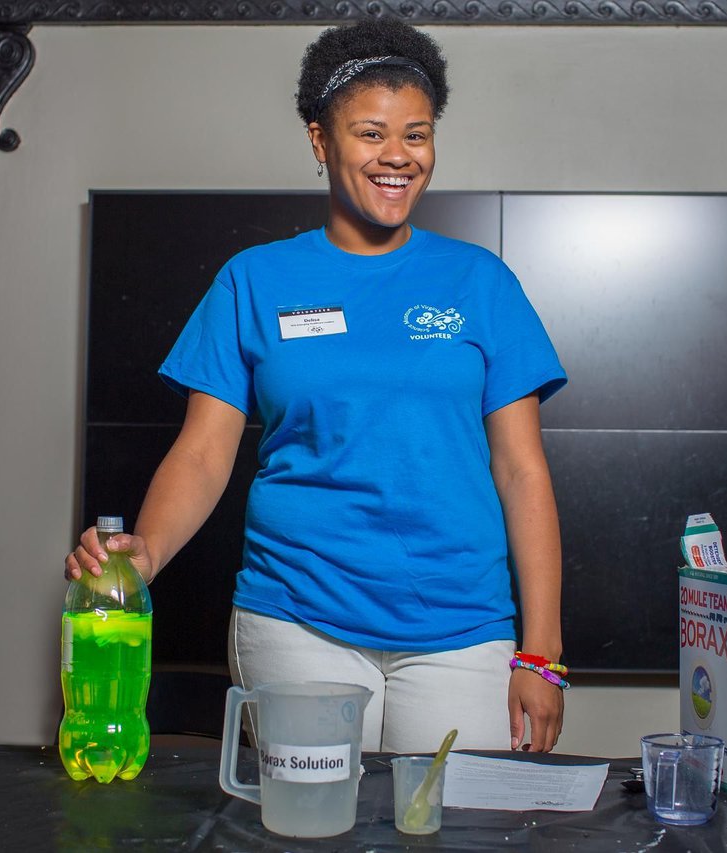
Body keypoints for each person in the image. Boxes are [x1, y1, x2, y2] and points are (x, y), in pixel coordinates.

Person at [64, 18, 568, 753]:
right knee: (310, 824)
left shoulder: (481, 282)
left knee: (454, 827)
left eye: (417, 135)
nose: (397, 156)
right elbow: (205, 454)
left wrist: (541, 651)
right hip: (296, 617)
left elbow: (523, 471)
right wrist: (145, 554)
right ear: (320, 140)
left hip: (461, 625)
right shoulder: (254, 280)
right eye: (371, 133)